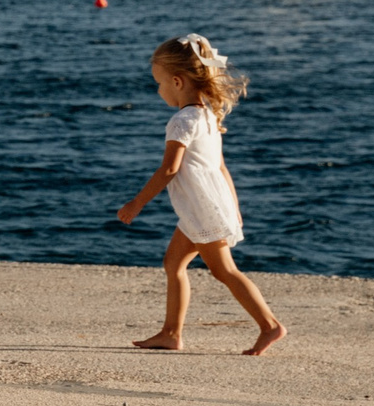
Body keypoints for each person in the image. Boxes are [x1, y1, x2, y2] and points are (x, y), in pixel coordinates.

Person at [115, 34, 286, 357]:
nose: (158, 90)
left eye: (159, 83)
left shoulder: (181, 121)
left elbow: (168, 170)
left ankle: (269, 325)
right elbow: (220, 168)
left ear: (177, 81)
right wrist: (233, 207)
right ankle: (170, 333)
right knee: (173, 263)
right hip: (205, 206)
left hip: (201, 210)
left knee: (225, 271)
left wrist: (136, 204)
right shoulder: (207, 115)